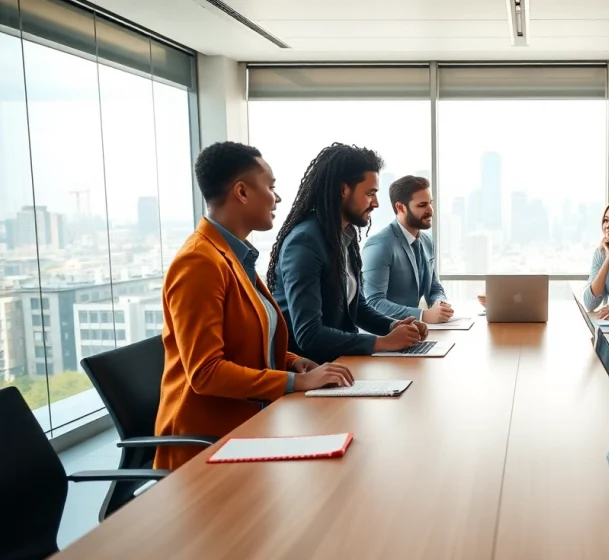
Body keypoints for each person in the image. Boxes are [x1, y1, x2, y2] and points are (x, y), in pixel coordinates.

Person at [154, 142, 353, 471]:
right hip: (205, 446)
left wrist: (293, 362)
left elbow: (246, 342)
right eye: (271, 187)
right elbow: (205, 373)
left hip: (249, 425)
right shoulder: (198, 262)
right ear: (242, 192)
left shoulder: (234, 255)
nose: (277, 198)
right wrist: (296, 383)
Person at [267, 143, 427, 363]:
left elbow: (357, 308)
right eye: (370, 193)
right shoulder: (304, 242)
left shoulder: (345, 236)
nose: (376, 203)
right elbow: (308, 335)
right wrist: (382, 343)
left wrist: (394, 327)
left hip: (340, 366)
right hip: (310, 374)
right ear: (343, 190)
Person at [362, 175, 451, 322]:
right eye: (422, 205)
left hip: (410, 333)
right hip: (382, 336)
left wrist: (439, 304)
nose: (430, 210)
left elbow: (434, 286)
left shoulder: (427, 240)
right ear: (400, 207)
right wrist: (423, 315)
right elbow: (374, 303)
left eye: (430, 203)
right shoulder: (379, 245)